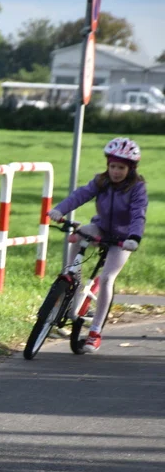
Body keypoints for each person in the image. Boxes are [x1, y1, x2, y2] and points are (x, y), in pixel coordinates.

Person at [47, 137, 147, 352]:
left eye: (121, 167)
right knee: (78, 233)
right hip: (101, 228)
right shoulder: (101, 182)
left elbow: (138, 215)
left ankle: (95, 331)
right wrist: (60, 210)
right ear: (107, 165)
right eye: (112, 166)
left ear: (130, 168)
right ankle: (72, 279)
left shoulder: (137, 188)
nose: (116, 171)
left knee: (107, 277)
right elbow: (80, 195)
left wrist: (134, 238)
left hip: (122, 238)